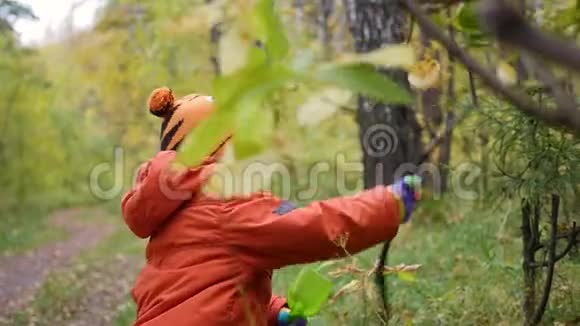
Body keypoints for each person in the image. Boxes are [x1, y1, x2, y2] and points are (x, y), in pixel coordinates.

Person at [121, 87, 421, 326]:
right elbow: (312, 228)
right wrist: (388, 204)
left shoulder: (177, 209)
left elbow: (198, 292)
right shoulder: (226, 200)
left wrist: (272, 313)